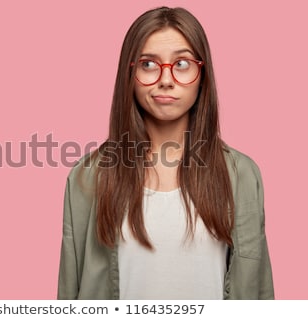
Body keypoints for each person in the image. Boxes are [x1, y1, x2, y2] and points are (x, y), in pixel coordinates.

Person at [57, 6, 274, 299]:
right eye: (149, 64)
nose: (166, 79)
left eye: (182, 64)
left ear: (202, 74)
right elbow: (70, 292)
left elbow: (259, 294)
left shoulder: (242, 174)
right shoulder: (88, 176)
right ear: (130, 73)